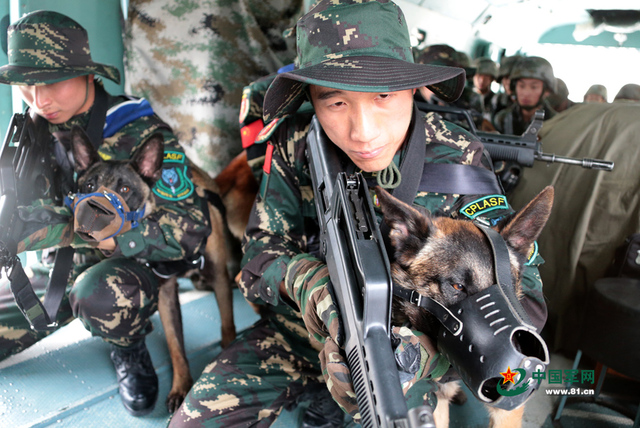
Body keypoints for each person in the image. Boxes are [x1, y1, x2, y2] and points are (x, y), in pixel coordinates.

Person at [169, 1, 548, 427]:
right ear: (310, 98)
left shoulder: (457, 155)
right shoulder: (296, 145)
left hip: (405, 347)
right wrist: (313, 287)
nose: (362, 131)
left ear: (411, 88)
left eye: (382, 95)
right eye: (335, 103)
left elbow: (525, 293)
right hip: (298, 333)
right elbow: (258, 259)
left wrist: (429, 351)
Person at [0, 11, 210, 416]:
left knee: (98, 294)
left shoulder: (137, 129)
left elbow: (192, 228)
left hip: (127, 269)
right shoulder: (35, 131)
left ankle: (128, 346)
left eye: (53, 82)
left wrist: (118, 237)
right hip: (54, 272)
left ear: (87, 75)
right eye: (27, 84)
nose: (39, 99)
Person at [493, 56, 557, 135]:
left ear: (547, 91)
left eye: (534, 87)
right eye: (521, 86)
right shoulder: (502, 119)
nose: (526, 93)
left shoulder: (556, 123)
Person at [472, 56, 499, 121]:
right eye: (479, 75)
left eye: (486, 76)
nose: (482, 80)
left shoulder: (497, 100)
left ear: (492, 79)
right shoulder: (466, 97)